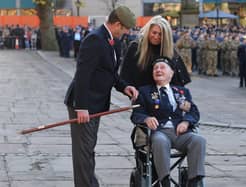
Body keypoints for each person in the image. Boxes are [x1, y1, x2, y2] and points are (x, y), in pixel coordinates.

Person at [64, 6, 138, 187]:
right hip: (84, 104)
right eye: (126, 28)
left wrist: (124, 87)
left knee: (88, 150)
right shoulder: (95, 39)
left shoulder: (114, 41)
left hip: (96, 104)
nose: (127, 32)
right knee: (83, 153)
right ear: (118, 24)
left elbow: (110, 73)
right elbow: (83, 74)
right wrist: (81, 107)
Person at [131, 57, 206, 187]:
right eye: (155, 68)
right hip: (158, 132)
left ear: (171, 73)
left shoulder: (181, 91)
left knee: (199, 140)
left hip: (179, 132)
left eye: (162, 67)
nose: (158, 70)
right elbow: (136, 114)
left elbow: (193, 112)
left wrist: (186, 122)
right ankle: (164, 181)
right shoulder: (145, 91)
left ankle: (194, 180)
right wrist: (146, 119)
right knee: (160, 141)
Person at [120, 15, 191, 89]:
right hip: (142, 96)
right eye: (154, 33)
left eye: (160, 34)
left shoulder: (171, 51)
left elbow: (179, 81)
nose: (156, 37)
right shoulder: (136, 48)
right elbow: (125, 75)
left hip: (165, 96)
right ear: (148, 31)